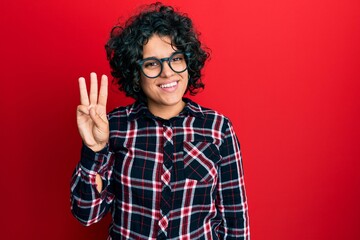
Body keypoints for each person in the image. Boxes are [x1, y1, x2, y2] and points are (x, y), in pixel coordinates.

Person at [70, 3, 250, 239]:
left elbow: (235, 220)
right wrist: (94, 151)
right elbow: (86, 214)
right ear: (136, 72)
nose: (167, 73)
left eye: (176, 58)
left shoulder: (217, 128)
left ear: (188, 62)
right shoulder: (112, 127)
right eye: (152, 64)